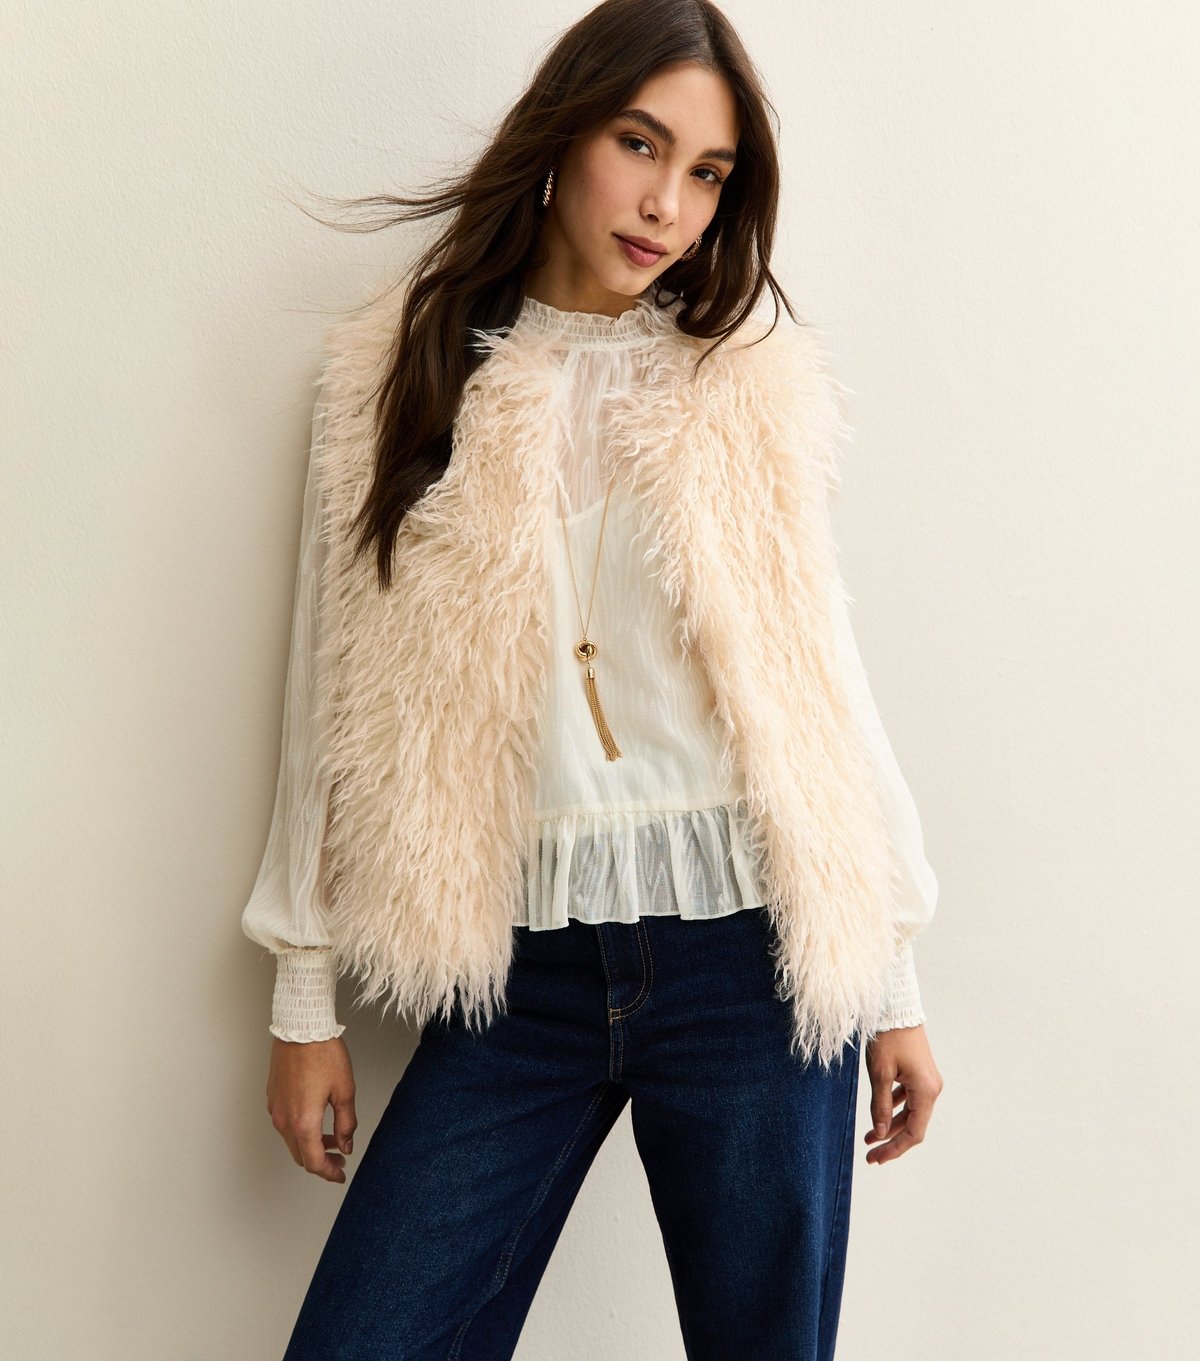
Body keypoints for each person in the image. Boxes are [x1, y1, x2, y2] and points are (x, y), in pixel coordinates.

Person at [241, 2, 944, 1356]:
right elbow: (325, 702)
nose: (669, 204)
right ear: (562, 134)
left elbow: (821, 687)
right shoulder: (392, 377)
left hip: (753, 961)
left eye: (709, 172)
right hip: (516, 977)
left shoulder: (739, 384)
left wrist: (893, 983)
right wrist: (302, 994)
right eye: (641, 144)